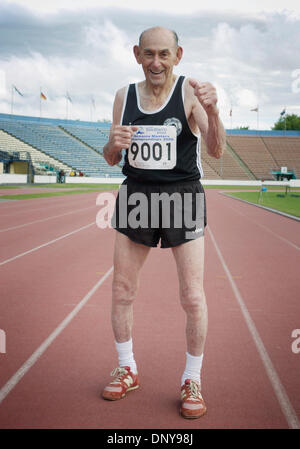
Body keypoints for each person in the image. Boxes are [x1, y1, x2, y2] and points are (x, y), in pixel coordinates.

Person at [102, 26, 226, 419]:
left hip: (182, 196)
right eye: (149, 54)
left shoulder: (191, 92)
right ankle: (127, 368)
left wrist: (214, 113)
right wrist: (113, 146)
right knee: (122, 289)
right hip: (136, 195)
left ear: (178, 55)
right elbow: (109, 157)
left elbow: (217, 151)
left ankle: (193, 377)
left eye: (164, 54)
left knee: (191, 295)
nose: (157, 62)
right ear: (137, 54)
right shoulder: (124, 97)